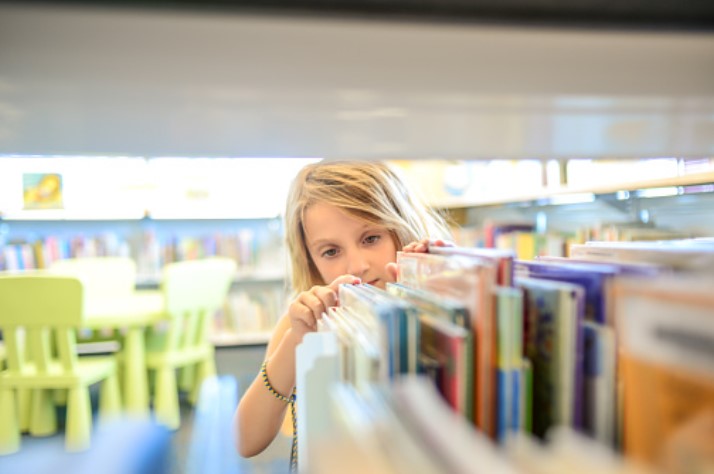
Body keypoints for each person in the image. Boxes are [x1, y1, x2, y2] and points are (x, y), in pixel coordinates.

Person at [234, 160, 452, 463]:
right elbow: (247, 441)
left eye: (371, 238)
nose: (357, 266)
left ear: (401, 229)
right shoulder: (301, 324)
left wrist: (436, 292)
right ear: (311, 260)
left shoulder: (434, 299)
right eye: (331, 251)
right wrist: (297, 340)